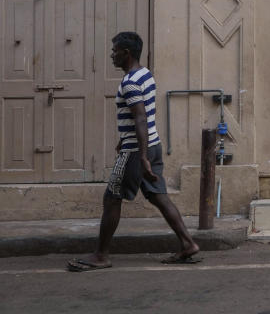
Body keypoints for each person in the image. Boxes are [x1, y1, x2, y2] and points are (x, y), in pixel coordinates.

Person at [67, 32, 200, 271]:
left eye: (115, 51)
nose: (112, 55)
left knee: (112, 198)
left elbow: (140, 118)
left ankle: (101, 255)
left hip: (136, 151)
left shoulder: (129, 82)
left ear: (126, 53)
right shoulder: (145, 74)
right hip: (152, 144)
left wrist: (140, 156)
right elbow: (142, 116)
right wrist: (128, 140)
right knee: (158, 195)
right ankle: (188, 244)